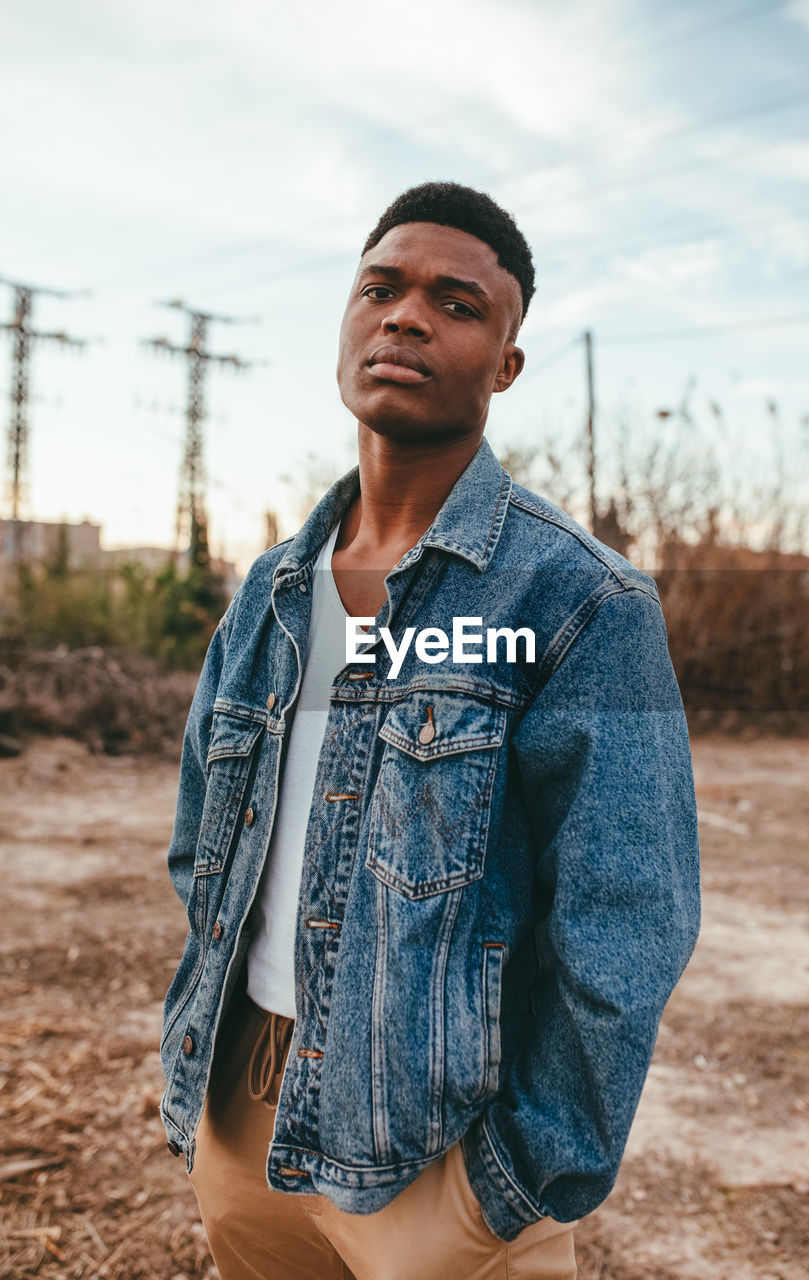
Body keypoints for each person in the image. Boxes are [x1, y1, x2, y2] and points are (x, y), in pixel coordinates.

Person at [160, 181, 701, 1280]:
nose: (405, 316)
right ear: (347, 321)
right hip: (239, 1107)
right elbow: (201, 844)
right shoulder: (269, 590)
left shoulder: (578, 601)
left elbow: (626, 924)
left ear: (504, 363)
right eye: (380, 288)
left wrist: (518, 1175)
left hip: (436, 1156)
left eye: (455, 303)